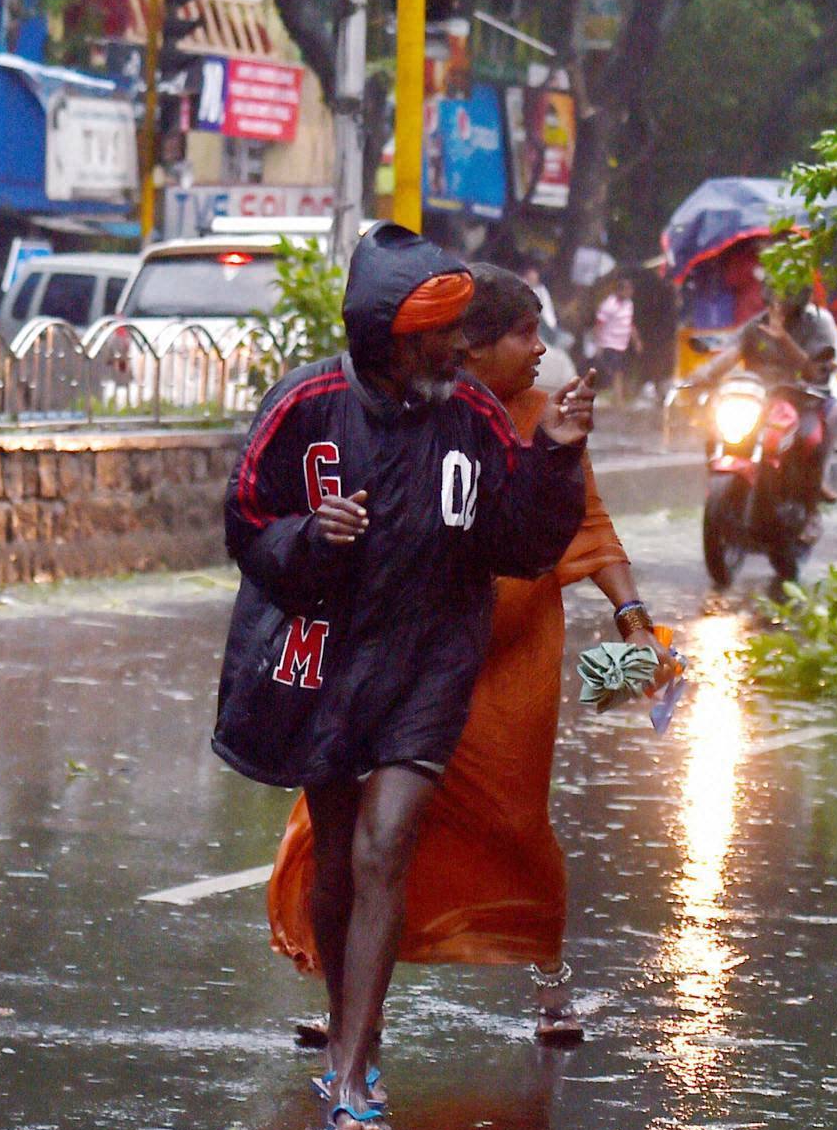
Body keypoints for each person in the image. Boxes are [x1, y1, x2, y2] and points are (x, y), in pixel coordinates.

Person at [211, 224, 599, 1130]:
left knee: (388, 842)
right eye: (440, 337)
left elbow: (519, 542)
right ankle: (355, 1032)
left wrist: (553, 455)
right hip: (328, 660)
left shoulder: (470, 415)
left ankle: (352, 1075)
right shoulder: (303, 405)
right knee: (340, 852)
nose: (456, 351)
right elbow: (245, 525)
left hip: (431, 662)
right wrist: (312, 532)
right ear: (389, 335)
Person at [264, 264, 667, 1052]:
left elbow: (585, 521)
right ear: (470, 345)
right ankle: (343, 997)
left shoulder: (543, 418)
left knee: (511, 823)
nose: (542, 350)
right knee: (343, 827)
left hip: (508, 667)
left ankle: (550, 980)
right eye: (526, 332)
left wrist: (633, 618)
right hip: (402, 654)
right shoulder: (406, 410)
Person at [692, 285, 837, 504]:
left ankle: (813, 494)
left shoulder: (819, 323)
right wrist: (703, 376)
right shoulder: (756, 325)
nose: (780, 302)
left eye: (785, 295)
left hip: (803, 399)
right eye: (776, 295)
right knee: (715, 429)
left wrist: (783, 338)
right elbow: (732, 352)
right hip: (760, 400)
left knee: (808, 439)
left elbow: (814, 371)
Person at [590, 275, 636, 399]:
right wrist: (598, 344)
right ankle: (618, 398)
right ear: (620, 291)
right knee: (617, 372)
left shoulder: (629, 304)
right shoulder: (609, 305)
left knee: (621, 371)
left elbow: (630, 323)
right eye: (627, 290)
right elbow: (599, 325)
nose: (629, 292)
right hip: (609, 343)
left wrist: (636, 341)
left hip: (622, 344)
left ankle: (617, 395)